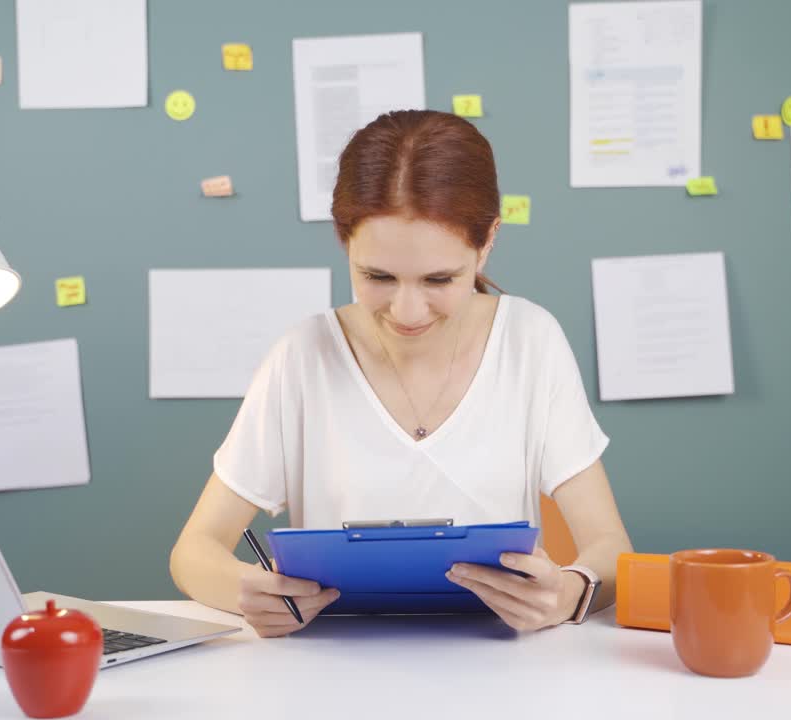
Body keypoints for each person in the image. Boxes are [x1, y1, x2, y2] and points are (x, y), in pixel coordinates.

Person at [169, 109, 633, 638]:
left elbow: (611, 548)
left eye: (440, 278)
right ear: (344, 241)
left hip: (500, 675)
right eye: (377, 276)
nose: (408, 311)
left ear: (487, 242)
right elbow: (193, 552)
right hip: (328, 673)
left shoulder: (531, 340)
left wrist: (569, 592)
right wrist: (244, 591)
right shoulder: (302, 357)